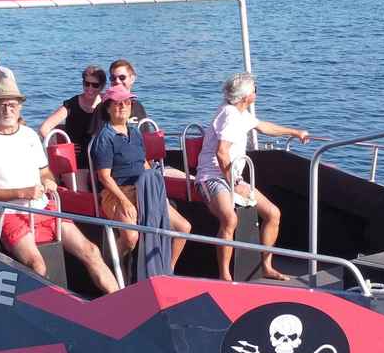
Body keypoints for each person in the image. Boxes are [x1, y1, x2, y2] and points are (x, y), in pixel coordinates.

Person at [0, 76, 118, 294]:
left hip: (42, 207)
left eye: (12, 105)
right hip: (7, 213)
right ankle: (47, 309)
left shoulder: (29, 135)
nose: (8, 110)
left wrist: (49, 180)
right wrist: (22, 193)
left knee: (91, 250)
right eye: (2, 105)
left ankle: (120, 304)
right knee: (37, 265)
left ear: (20, 107)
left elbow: (44, 171)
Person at [196, 72, 309, 281]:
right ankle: (225, 275)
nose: (257, 92)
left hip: (232, 176)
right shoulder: (230, 116)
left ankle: (266, 266)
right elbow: (222, 152)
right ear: (246, 96)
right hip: (212, 177)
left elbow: (264, 127)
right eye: (255, 89)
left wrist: (294, 132)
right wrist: (234, 183)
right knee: (230, 219)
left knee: (273, 214)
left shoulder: (241, 113)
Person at [88, 85, 191, 268]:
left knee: (183, 228)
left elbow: (143, 163)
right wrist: (124, 202)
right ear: (108, 108)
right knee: (130, 237)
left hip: (143, 190)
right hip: (117, 193)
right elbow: (104, 177)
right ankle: (109, 269)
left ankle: (167, 271)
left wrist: (155, 190)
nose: (123, 106)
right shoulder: (105, 138)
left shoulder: (135, 132)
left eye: (127, 102)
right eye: (117, 103)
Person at [38, 65, 105, 151]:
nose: (90, 88)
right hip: (74, 156)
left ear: (102, 86)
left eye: (95, 85)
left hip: (99, 154)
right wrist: (59, 149)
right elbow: (44, 128)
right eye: (87, 84)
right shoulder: (71, 105)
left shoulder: (106, 104)